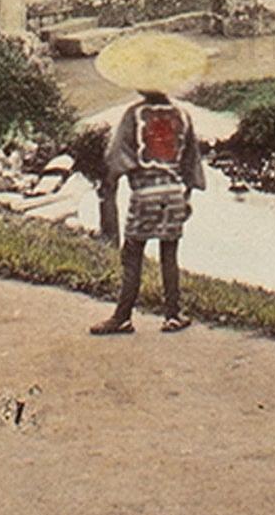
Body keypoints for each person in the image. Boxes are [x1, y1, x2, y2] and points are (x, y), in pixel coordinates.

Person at [89, 33, 210, 336]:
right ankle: (173, 314)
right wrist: (187, 195)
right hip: (174, 195)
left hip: (144, 195)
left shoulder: (135, 115)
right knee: (170, 255)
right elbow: (192, 161)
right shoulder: (182, 116)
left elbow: (118, 156)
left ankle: (122, 316)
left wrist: (110, 182)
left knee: (132, 254)